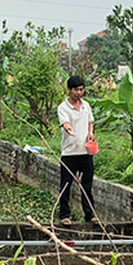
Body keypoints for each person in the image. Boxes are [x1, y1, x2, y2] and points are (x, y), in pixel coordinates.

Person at [57, 75, 96, 225]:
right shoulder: (63, 107)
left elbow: (90, 122)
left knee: (87, 186)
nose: (79, 93)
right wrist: (69, 130)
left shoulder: (86, 106)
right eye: (76, 90)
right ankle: (64, 215)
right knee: (66, 185)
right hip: (70, 153)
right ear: (69, 90)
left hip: (86, 153)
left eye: (81, 90)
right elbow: (65, 123)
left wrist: (90, 132)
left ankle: (90, 215)